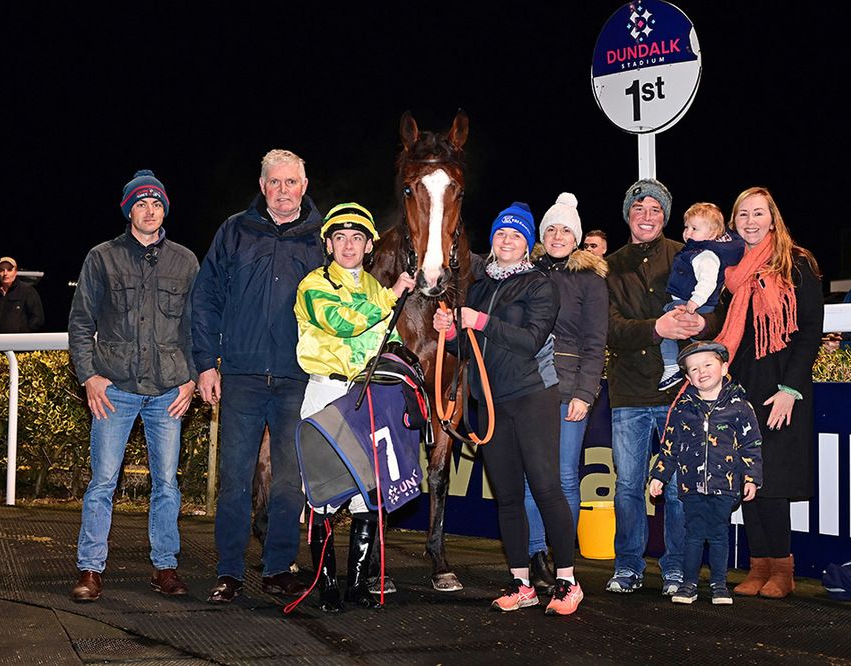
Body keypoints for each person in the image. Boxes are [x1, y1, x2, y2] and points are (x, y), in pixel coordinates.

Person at [432, 202, 583, 616]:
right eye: (501, 233)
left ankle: (567, 581)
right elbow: (469, 350)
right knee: (508, 496)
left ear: (528, 243)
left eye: (516, 235)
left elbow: (530, 340)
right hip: (489, 401)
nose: (507, 240)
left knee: (547, 488)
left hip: (532, 396)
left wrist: (479, 321)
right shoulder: (479, 287)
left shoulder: (539, 285)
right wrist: (452, 332)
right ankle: (521, 582)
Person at [192, 149, 326, 603]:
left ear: (304, 186)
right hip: (242, 376)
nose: (282, 190)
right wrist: (205, 363)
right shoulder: (235, 230)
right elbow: (206, 298)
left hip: (297, 378)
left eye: (291, 182)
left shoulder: (322, 238)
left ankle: (278, 569)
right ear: (263, 185)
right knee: (234, 479)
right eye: (275, 182)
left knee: (289, 481)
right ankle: (228, 571)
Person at [67, 170, 198, 602]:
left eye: (157, 203)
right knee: (103, 482)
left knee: (167, 485)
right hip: (115, 389)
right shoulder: (101, 258)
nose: (150, 211)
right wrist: (89, 376)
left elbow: (195, 328)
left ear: (165, 209)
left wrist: (191, 379)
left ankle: (165, 567)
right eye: (141, 204)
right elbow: (80, 323)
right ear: (129, 211)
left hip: (168, 390)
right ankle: (90, 569)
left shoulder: (185, 261)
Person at [294, 202, 415, 611]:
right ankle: (326, 584)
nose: (348, 245)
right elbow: (342, 322)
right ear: (328, 244)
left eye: (357, 238)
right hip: (327, 395)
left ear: (368, 247)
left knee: (369, 493)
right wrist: (393, 296)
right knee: (323, 493)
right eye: (340, 238)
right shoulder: (313, 284)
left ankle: (358, 585)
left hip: (369, 399)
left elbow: (391, 343)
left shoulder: (377, 289)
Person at [605, 178, 718, 596]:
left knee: (677, 489)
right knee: (628, 487)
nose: (647, 216)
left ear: (666, 217)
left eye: (655, 209)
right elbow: (609, 329)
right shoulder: (608, 267)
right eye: (639, 208)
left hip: (679, 396)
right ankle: (628, 566)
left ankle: (677, 570)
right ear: (628, 215)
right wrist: (657, 328)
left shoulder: (688, 254)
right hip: (629, 393)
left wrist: (702, 322)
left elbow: (717, 309)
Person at [714, 186, 823, 599]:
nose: (751, 221)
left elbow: (810, 331)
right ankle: (758, 566)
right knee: (749, 476)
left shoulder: (796, 263)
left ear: (772, 218)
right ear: (734, 222)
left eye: (758, 213)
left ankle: (782, 569)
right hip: (742, 384)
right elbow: (724, 328)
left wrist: (790, 389)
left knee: (773, 478)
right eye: (743, 214)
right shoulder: (731, 271)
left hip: (782, 385)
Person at [522, 192, 608, 592]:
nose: (558, 236)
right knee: (531, 478)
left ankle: (562, 559)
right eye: (551, 229)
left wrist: (585, 393)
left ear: (576, 238)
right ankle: (535, 554)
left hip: (570, 386)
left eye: (566, 230)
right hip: (528, 388)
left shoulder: (590, 280)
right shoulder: (526, 272)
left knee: (564, 477)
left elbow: (596, 342)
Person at [649, 340, 763, 605]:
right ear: (688, 378)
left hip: (725, 486)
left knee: (719, 535)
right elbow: (669, 446)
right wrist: (659, 476)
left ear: (724, 368)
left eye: (708, 365)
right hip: (691, 486)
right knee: (693, 536)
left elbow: (751, 445)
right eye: (694, 369)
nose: (701, 372)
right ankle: (688, 584)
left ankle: (719, 585)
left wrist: (751, 478)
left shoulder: (741, 407)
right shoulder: (682, 408)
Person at [658, 203, 744, 390]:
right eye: (686, 227)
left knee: (668, 325)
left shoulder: (705, 254)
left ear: (712, 234)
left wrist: (694, 301)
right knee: (696, 343)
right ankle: (703, 369)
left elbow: (708, 281)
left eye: (694, 228)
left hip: (694, 304)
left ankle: (671, 367)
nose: (687, 232)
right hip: (693, 303)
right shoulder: (696, 250)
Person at [0, 256, 45, 333]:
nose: (5, 273)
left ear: (15, 272)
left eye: (9, 270)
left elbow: (38, 318)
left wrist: (24, 334)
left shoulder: (27, 290)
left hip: (19, 339)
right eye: (2, 270)